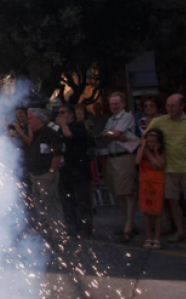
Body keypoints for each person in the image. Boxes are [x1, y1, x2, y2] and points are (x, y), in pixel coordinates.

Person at [148, 94, 186, 245]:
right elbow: (145, 140)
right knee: (173, 202)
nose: (169, 109)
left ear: (182, 106)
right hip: (169, 169)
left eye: (172, 106)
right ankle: (180, 231)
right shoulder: (158, 122)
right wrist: (153, 157)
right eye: (167, 106)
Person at [100, 93, 139, 242]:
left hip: (124, 157)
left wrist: (109, 133)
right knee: (117, 193)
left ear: (123, 104)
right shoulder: (111, 119)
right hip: (112, 158)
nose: (113, 106)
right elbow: (106, 135)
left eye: (116, 104)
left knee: (127, 193)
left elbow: (113, 133)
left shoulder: (126, 117)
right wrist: (110, 134)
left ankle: (128, 227)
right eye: (111, 104)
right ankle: (132, 224)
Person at [55, 104, 94, 238]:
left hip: (79, 170)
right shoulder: (61, 129)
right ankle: (72, 227)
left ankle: (84, 229)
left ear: (71, 115)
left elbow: (69, 135)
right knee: (68, 201)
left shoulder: (77, 126)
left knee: (82, 201)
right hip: (66, 171)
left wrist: (63, 125)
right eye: (58, 113)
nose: (59, 115)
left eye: (62, 113)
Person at [25, 108, 63, 236]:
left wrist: (51, 171)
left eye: (30, 118)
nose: (28, 121)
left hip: (45, 174)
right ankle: (45, 231)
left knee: (50, 204)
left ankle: (57, 232)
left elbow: (57, 154)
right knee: (39, 204)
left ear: (39, 119)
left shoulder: (49, 133)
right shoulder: (36, 134)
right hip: (35, 174)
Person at [136, 128, 167, 249]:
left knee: (157, 211)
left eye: (154, 142)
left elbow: (159, 165)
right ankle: (149, 237)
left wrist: (152, 152)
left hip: (157, 181)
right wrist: (143, 147)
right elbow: (137, 161)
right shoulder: (142, 150)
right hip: (144, 182)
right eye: (149, 141)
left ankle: (157, 238)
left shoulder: (160, 152)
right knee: (146, 212)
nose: (151, 144)